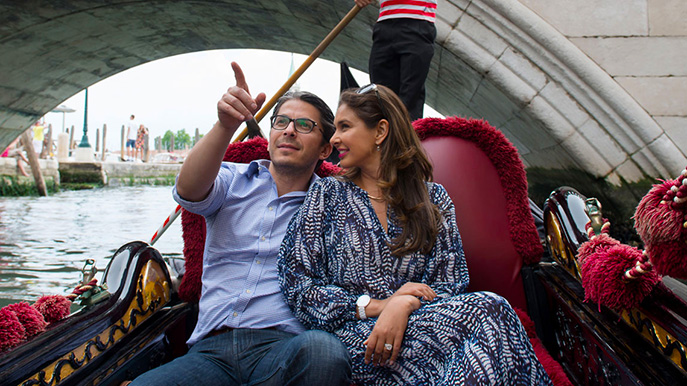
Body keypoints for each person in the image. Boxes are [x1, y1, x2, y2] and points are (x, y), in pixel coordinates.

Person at [278, 84, 552, 385]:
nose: (334, 138)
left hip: (421, 326)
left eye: (345, 126)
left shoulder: (433, 200)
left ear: (380, 131)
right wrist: (379, 306)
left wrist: (405, 305)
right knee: (490, 313)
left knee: (491, 312)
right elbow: (299, 286)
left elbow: (450, 284)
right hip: (354, 340)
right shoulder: (326, 193)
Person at [128, 62, 351, 386]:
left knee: (324, 352)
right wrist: (225, 124)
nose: (289, 130)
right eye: (281, 122)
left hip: (284, 351)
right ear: (271, 132)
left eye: (304, 125)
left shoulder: (333, 204)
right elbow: (188, 191)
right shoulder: (232, 179)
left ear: (325, 148)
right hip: (210, 353)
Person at [355, 0, 437, 121]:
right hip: (384, 25)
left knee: (410, 97)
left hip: (418, 20)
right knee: (381, 97)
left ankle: (406, 136)